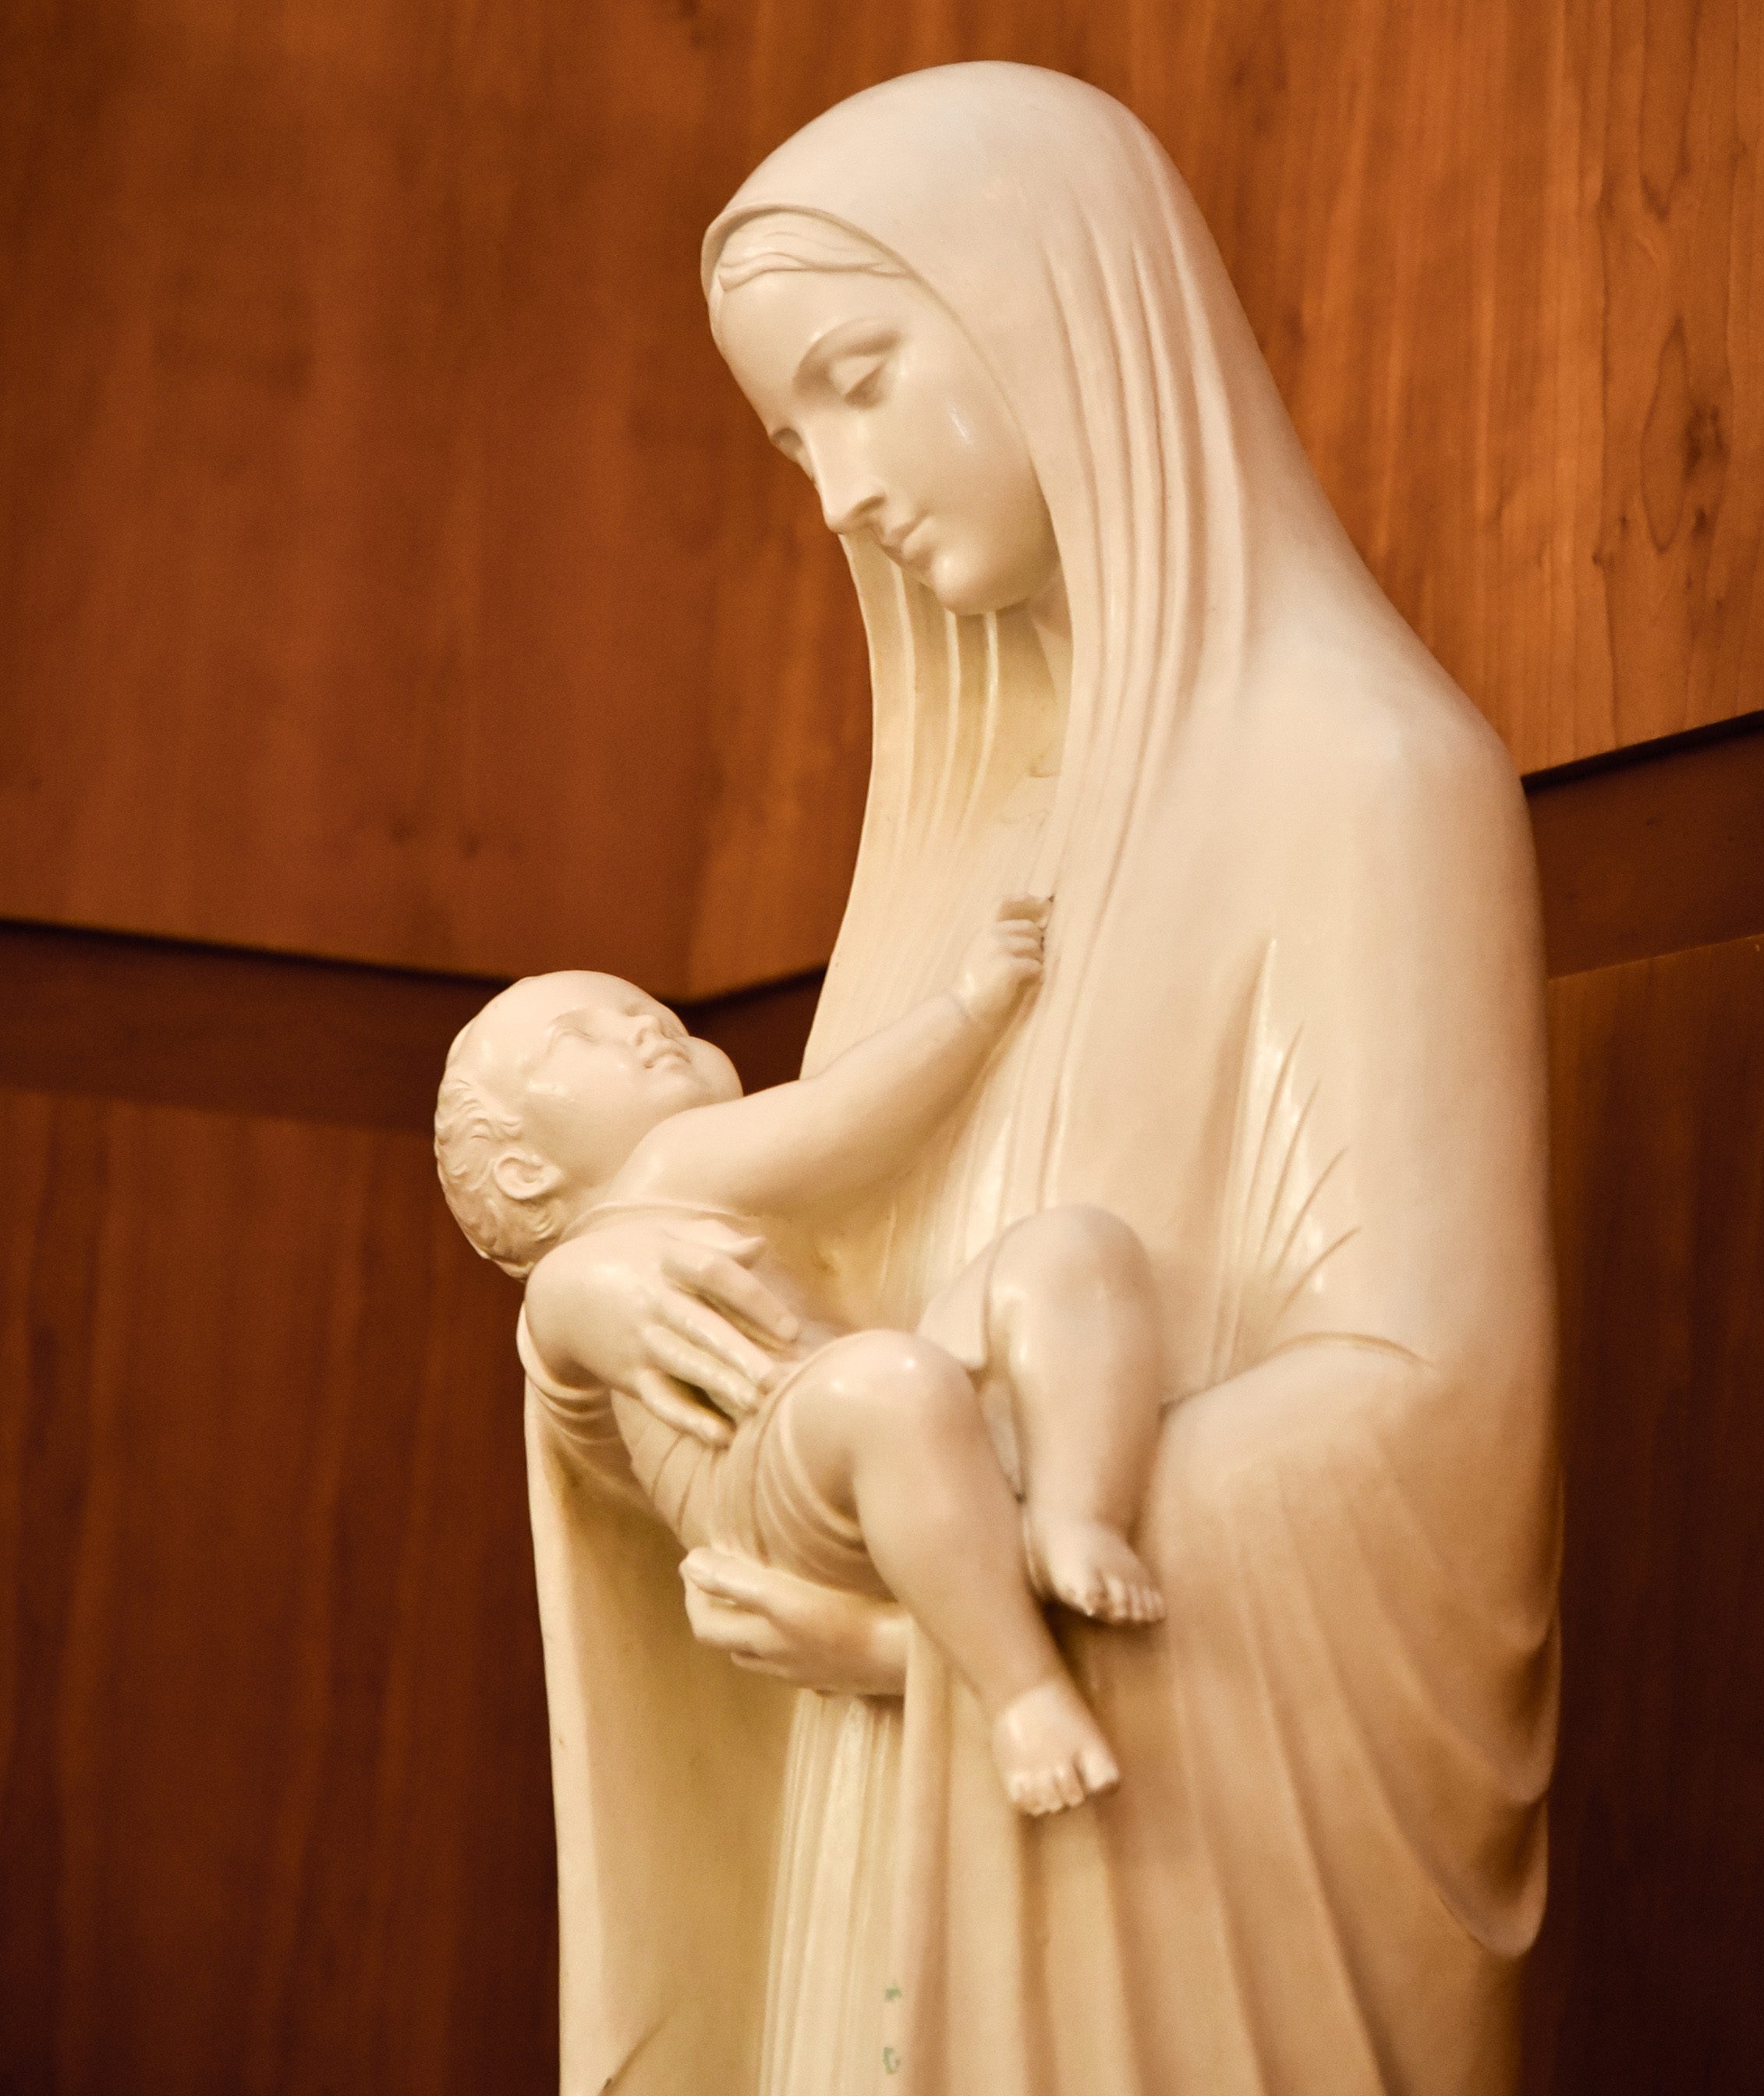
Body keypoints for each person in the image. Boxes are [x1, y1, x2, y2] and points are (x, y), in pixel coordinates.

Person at [520, 64, 1560, 2096]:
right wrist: (586, 1325)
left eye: (861, 379)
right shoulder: (950, 852)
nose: (840, 494)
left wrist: (950, 1634)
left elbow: (1429, 1424)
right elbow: (796, 1366)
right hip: (883, 1824)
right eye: (791, 437)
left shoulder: (1367, 782)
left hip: (1092, 1836)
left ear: (1065, 318)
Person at [434, 902, 1165, 1815]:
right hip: (775, 1476)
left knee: (1067, 1253)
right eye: (580, 1038)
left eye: (648, 1012)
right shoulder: (663, 1170)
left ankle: (1073, 1516)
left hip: (858, 1436)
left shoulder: (693, 1207)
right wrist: (970, 1007)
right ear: (525, 1174)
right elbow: (842, 1119)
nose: (642, 1026)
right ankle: (1024, 1692)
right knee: (896, 1382)